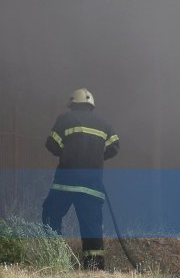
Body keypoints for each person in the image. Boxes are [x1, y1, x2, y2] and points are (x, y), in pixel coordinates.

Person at [42, 88, 119, 270]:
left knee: (50, 214)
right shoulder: (104, 123)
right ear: (91, 105)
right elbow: (114, 146)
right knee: (91, 226)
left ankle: (55, 258)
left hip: (65, 184)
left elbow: (51, 144)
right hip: (91, 185)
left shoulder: (65, 119)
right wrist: (95, 159)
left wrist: (69, 154)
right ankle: (94, 268)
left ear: (72, 104)